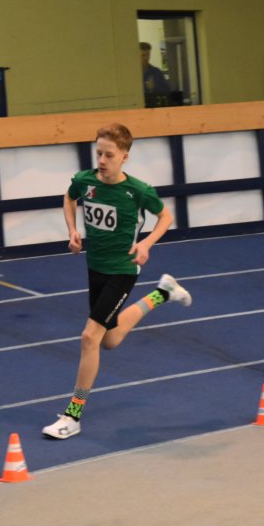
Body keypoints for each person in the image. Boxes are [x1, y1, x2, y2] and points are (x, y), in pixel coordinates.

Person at [43, 123, 192, 439]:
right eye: (98, 153)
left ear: (124, 156)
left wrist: (146, 243)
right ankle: (162, 293)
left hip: (123, 269)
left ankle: (73, 415)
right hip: (95, 267)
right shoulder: (84, 181)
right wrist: (72, 230)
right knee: (108, 340)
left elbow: (165, 217)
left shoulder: (137, 191)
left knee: (89, 337)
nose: (102, 160)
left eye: (109, 155)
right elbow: (68, 198)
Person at [140, 41, 172, 107]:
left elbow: (167, 91)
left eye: (148, 55)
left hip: (154, 107)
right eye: (143, 55)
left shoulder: (156, 72)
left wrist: (154, 87)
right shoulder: (131, 74)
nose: (146, 58)